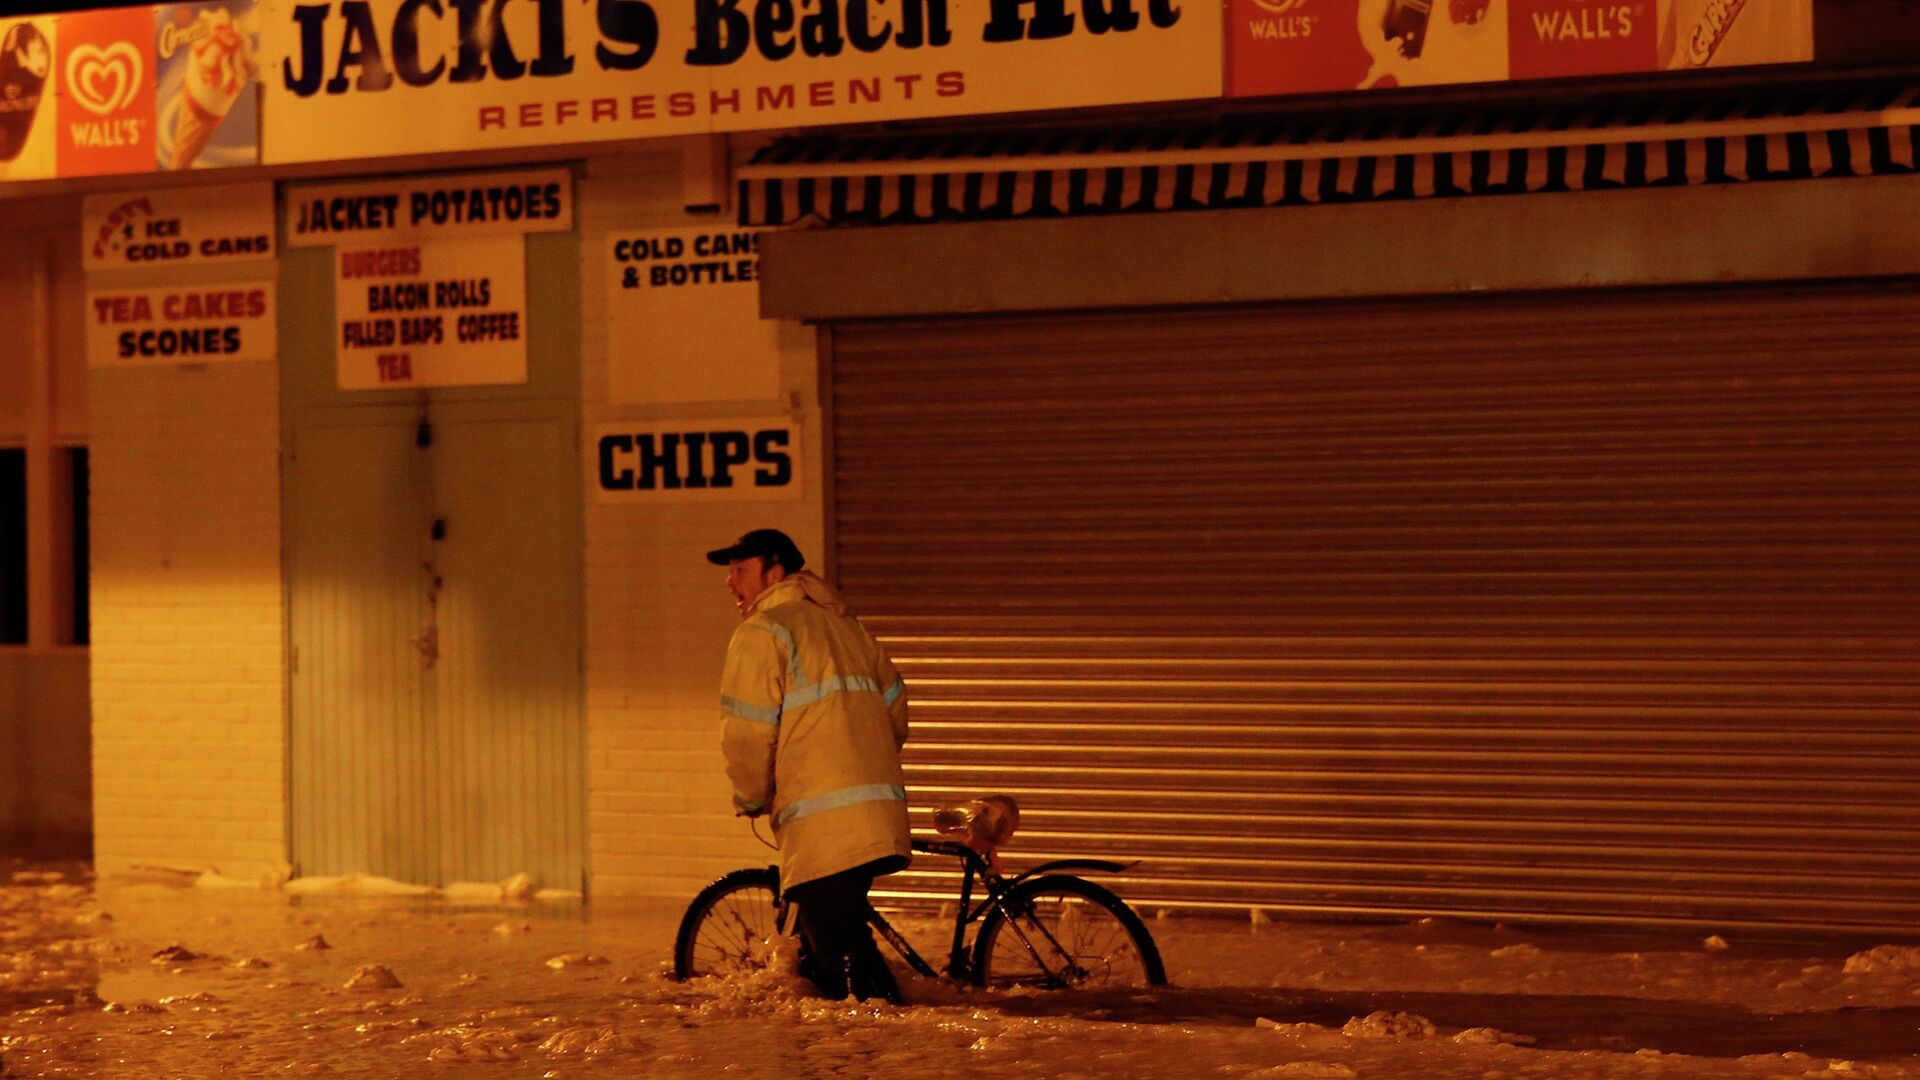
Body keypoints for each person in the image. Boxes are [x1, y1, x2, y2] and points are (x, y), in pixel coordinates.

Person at [708, 528, 910, 1004]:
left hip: (824, 825)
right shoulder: (848, 626)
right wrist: (864, 763)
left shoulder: (762, 632)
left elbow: (747, 732)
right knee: (828, 956)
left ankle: (889, 1055)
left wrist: (752, 795)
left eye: (740, 570)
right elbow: (896, 710)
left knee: (849, 971)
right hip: (876, 813)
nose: (729, 582)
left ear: (775, 574)